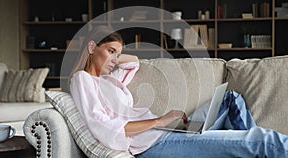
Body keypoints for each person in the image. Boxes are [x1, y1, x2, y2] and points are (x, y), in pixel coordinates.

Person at [69, 25, 288, 157]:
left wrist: (113, 55)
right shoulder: (83, 79)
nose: (115, 58)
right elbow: (104, 127)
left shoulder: (109, 79)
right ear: (91, 47)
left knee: (231, 98)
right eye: (110, 51)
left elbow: (133, 63)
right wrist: (159, 121)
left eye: (117, 53)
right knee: (263, 139)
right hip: (152, 146)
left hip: (164, 135)